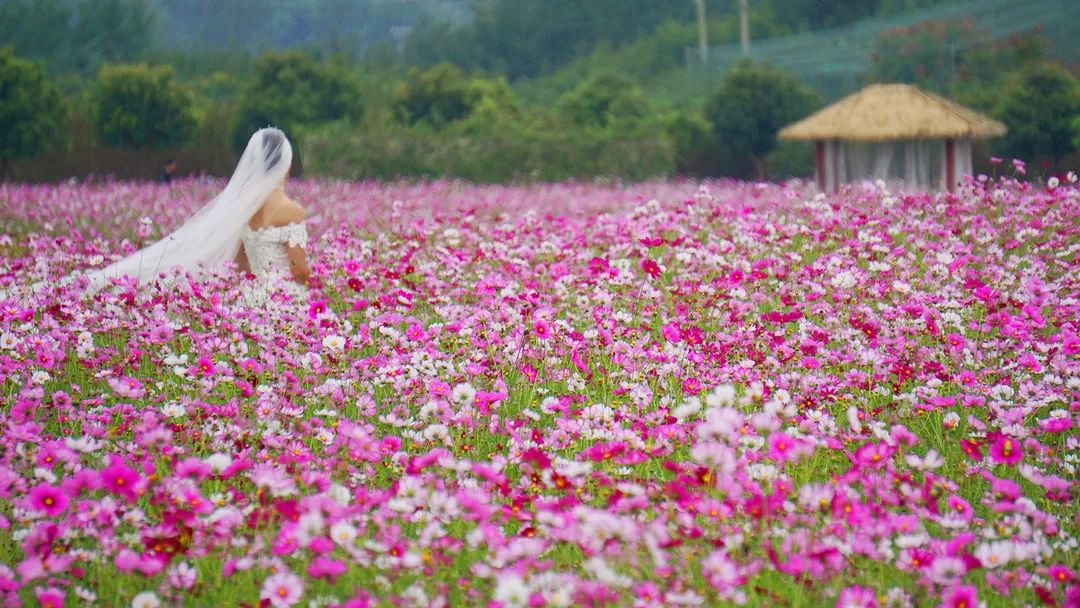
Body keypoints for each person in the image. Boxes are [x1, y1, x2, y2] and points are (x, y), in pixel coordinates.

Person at [78, 128, 311, 295]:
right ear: (286, 163)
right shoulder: (292, 211)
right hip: (282, 299)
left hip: (250, 298)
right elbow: (299, 270)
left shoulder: (244, 209)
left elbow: (241, 267)